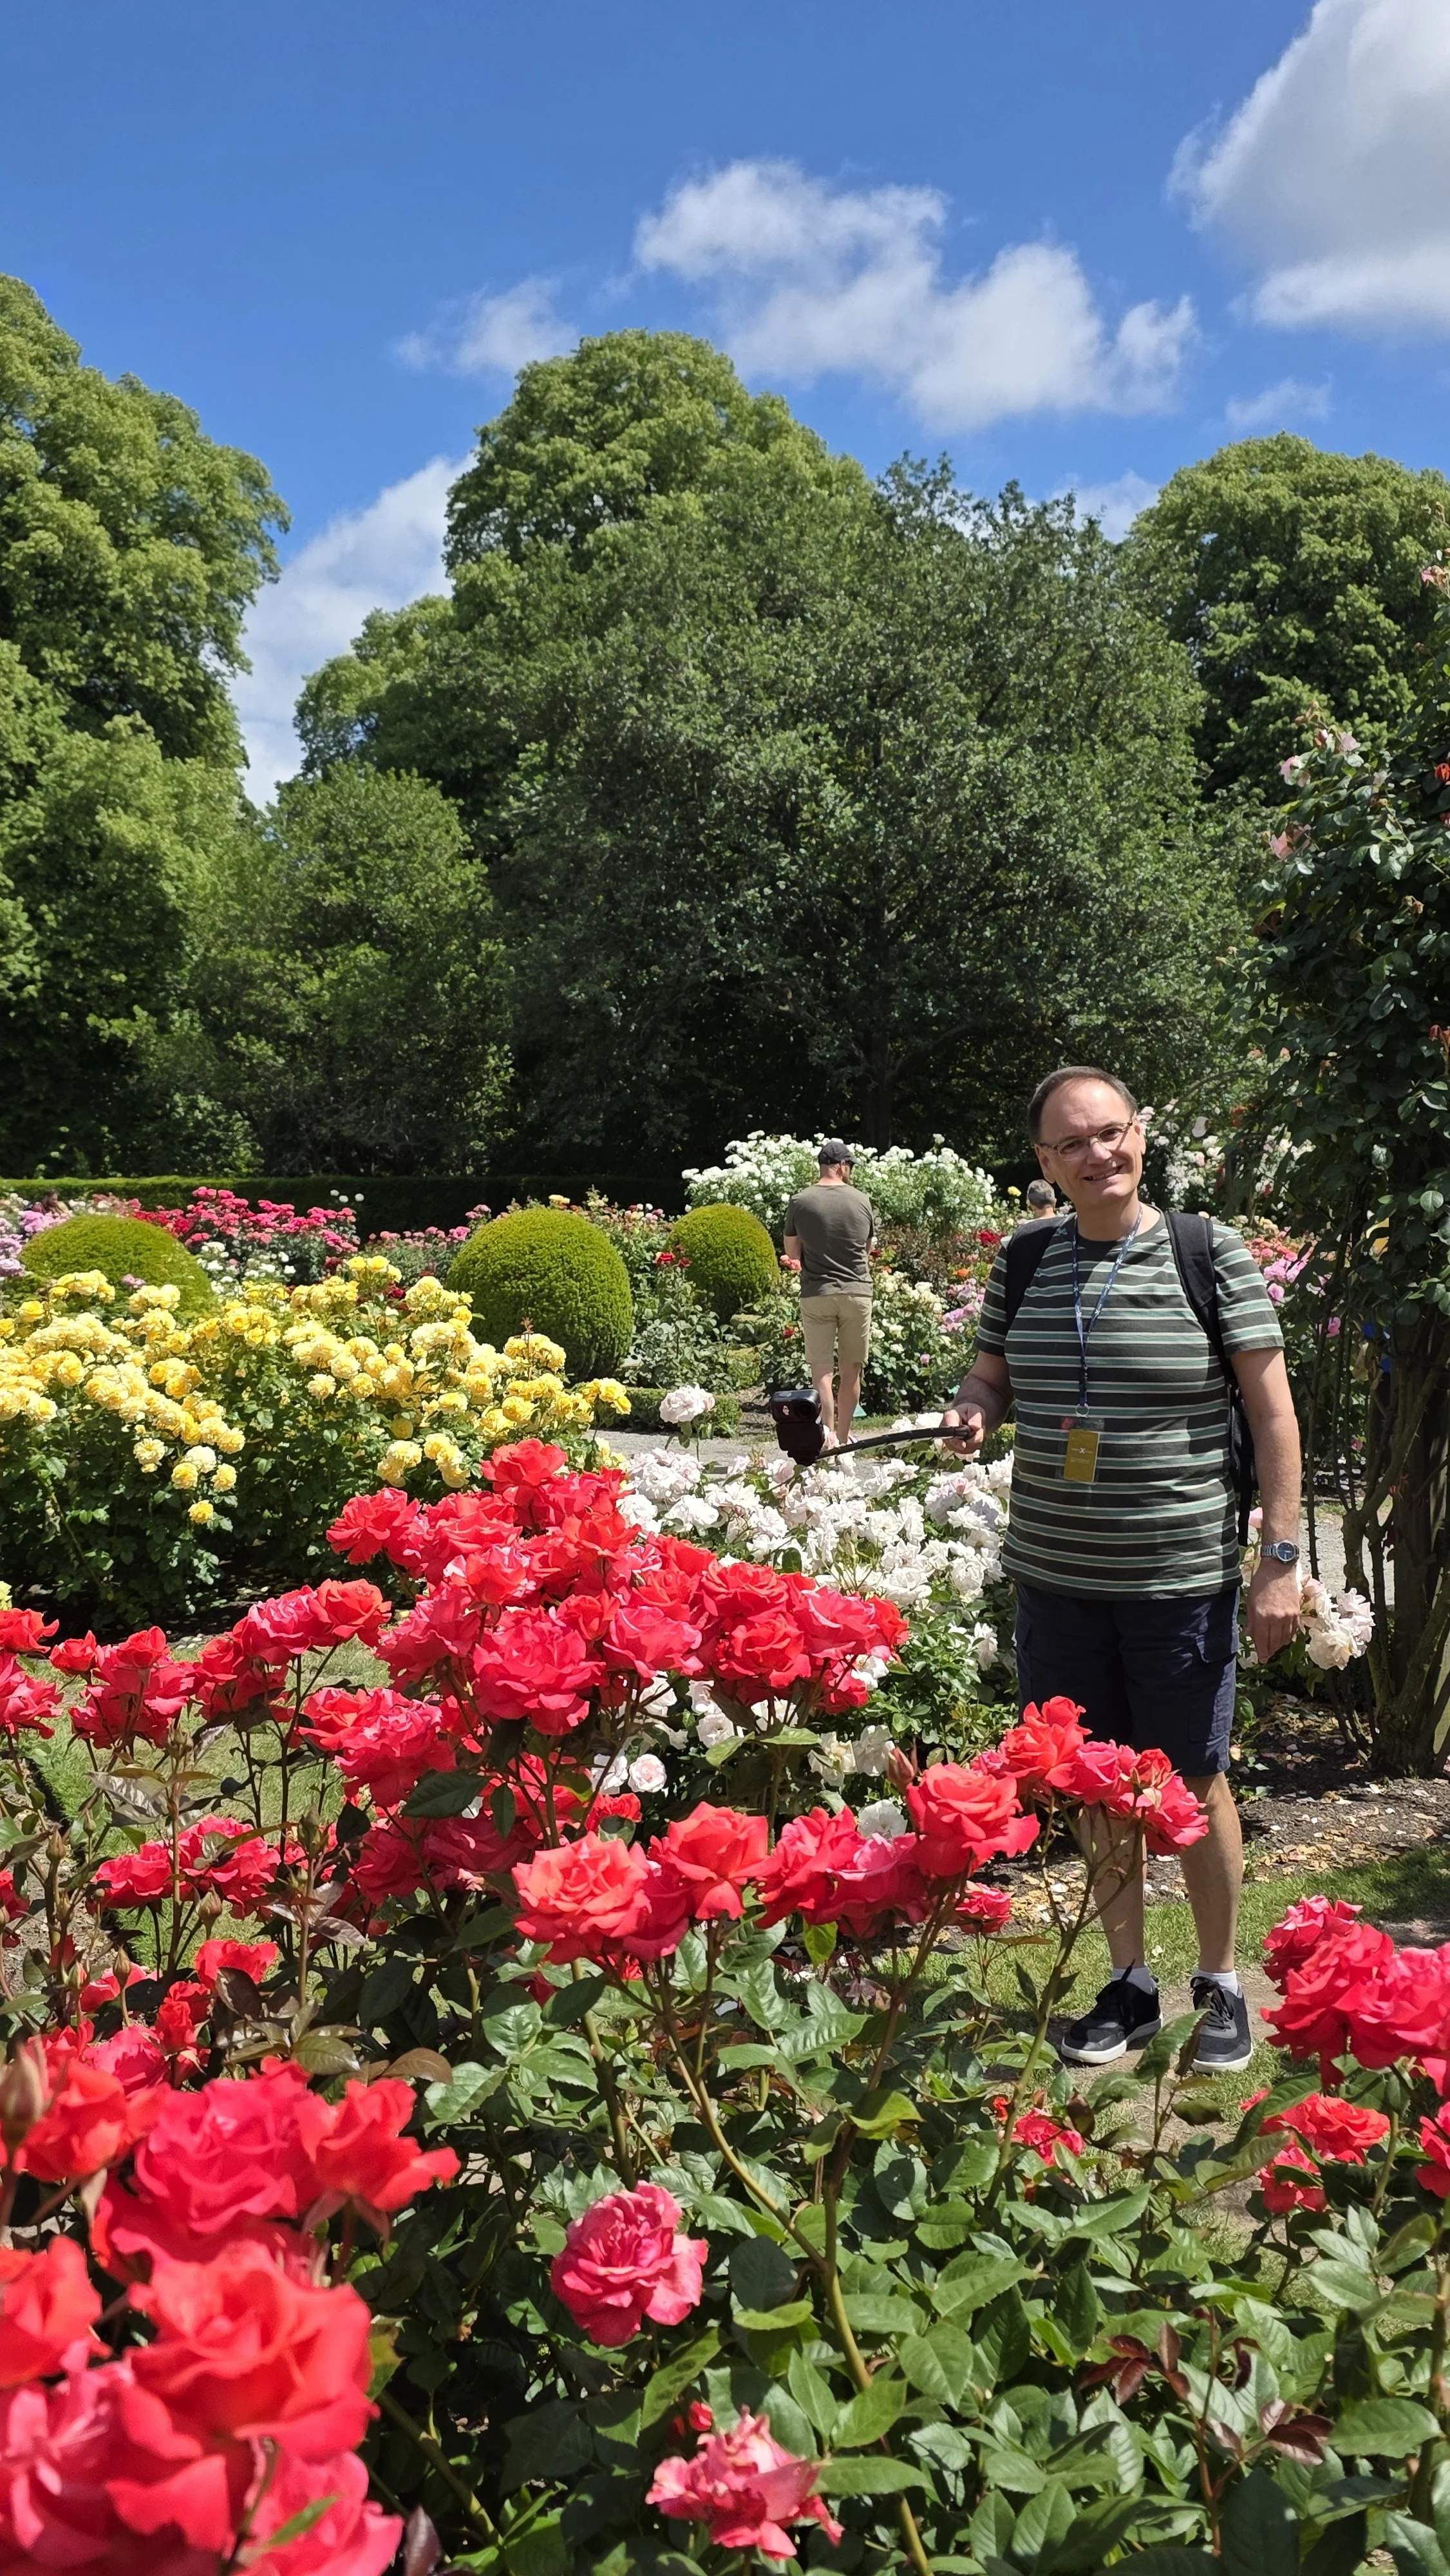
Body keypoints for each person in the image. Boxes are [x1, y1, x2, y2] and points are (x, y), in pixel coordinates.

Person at [943, 1067, 1303, 2072]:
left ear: (1140, 1135)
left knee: (1192, 1781)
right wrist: (975, 1406)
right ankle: (1130, 1982)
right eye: (1076, 1145)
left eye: (1115, 1133)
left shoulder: (1206, 1255)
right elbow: (991, 1373)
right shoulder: (1023, 1263)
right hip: (1056, 1579)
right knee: (1095, 1786)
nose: (1102, 1155)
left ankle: (1222, 1982)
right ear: (1046, 1165)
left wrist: (1279, 1558)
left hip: (1177, 1576)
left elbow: (1273, 1414)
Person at [783, 1142, 876, 1444]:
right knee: (852, 1371)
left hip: (816, 1293)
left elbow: (792, 1252)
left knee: (821, 1372)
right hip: (856, 1292)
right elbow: (867, 1249)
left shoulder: (800, 1200)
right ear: (841, 1165)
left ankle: (827, 1436)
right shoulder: (862, 1200)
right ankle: (845, 1438)